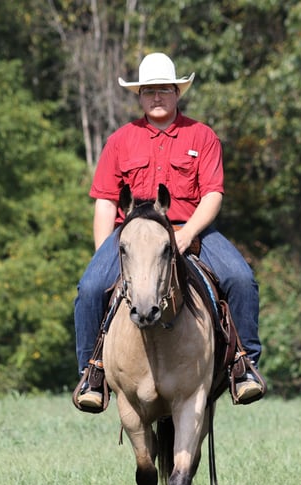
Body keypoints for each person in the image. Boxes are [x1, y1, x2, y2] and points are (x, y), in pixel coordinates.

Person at [74, 52, 264, 411]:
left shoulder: (202, 136)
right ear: (139, 96)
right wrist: (106, 253)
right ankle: (92, 371)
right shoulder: (120, 140)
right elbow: (105, 201)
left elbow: (212, 194)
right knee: (91, 288)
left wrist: (187, 233)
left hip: (191, 228)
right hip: (133, 236)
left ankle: (244, 365)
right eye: (148, 90)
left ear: (177, 92)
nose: (156, 96)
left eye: (164, 89)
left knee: (241, 279)